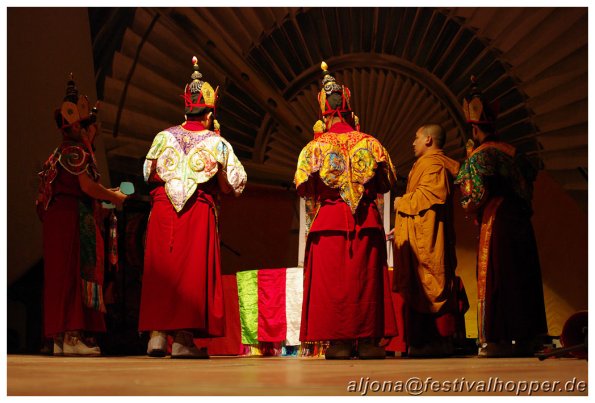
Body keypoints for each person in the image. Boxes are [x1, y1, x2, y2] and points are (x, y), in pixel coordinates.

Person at [138, 56, 247, 359]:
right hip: (196, 208)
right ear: (210, 111)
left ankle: (157, 337)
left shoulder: (163, 136)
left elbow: (146, 173)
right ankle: (183, 339)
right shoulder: (216, 142)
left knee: (164, 270)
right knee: (189, 271)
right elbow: (235, 185)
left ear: (185, 107)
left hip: (162, 209)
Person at [295, 61, 397, 359]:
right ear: (351, 112)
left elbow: (303, 186)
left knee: (334, 284)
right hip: (364, 219)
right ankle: (366, 343)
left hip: (328, 221)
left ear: (323, 114)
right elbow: (388, 181)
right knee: (364, 281)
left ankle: (338, 344)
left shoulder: (314, 147)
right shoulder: (371, 142)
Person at [454, 76, 547, 357]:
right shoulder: (512, 152)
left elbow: (474, 196)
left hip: (497, 220)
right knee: (522, 275)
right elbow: (528, 182)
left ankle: (498, 339)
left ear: (473, 129)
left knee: (498, 276)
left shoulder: (481, 156)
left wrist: (467, 199)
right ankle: (528, 336)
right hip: (520, 219)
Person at [36, 74, 127, 356]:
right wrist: (114, 197)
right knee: (74, 273)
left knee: (61, 276)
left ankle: (62, 339)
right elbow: (86, 186)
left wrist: (107, 193)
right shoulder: (75, 151)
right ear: (80, 127)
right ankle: (73, 336)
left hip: (57, 218)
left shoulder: (56, 153)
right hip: (71, 217)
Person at [392, 124, 462, 357]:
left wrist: (400, 203)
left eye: (416, 138)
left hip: (430, 239)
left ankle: (435, 342)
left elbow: (427, 198)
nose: (413, 143)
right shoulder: (426, 164)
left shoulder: (434, 165)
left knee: (431, 282)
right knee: (420, 284)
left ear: (429, 140)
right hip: (421, 232)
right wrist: (401, 225)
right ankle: (422, 342)